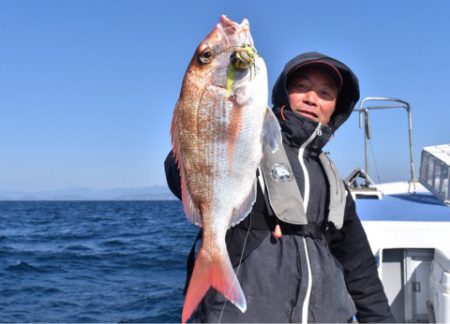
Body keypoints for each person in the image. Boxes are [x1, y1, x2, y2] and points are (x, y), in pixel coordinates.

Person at [165, 52, 395, 323]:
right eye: (301, 87)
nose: (312, 98)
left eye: (325, 93)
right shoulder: (254, 144)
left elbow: (360, 269)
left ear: (336, 107)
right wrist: (207, 117)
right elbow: (177, 173)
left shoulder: (334, 181)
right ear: (284, 92)